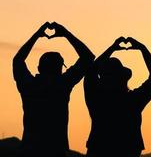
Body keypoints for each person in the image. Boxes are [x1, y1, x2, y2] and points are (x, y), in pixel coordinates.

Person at [13, 22, 95, 157]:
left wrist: (36, 35)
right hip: (56, 148)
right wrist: (66, 34)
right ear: (60, 69)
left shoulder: (29, 85)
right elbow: (88, 57)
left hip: (30, 148)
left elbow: (18, 60)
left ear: (39, 68)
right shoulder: (62, 84)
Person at [84, 37, 151, 157]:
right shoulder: (133, 100)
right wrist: (142, 49)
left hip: (98, 149)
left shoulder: (96, 98)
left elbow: (91, 72)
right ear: (123, 78)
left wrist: (112, 48)